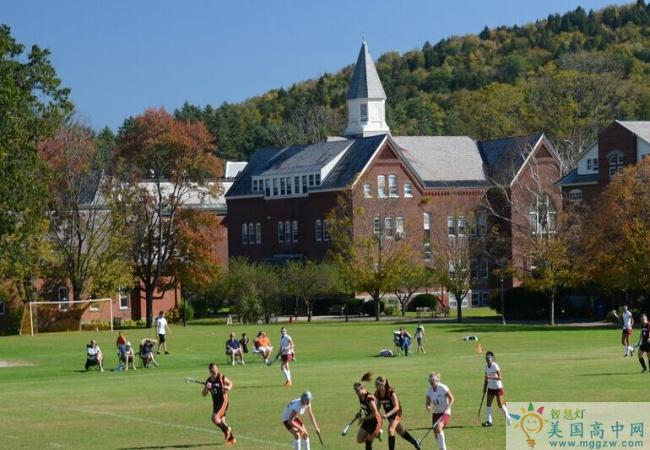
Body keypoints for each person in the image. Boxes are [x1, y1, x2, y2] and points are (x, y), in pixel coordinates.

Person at [374, 376, 421, 450]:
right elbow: (378, 405)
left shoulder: (390, 392)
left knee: (390, 430)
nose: (376, 385)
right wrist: (376, 412)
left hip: (396, 412)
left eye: (378, 384)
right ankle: (415, 442)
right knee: (400, 431)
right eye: (375, 383)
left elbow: (397, 407)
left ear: (383, 384)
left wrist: (387, 415)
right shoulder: (377, 393)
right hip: (389, 413)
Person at [202, 362, 236, 446]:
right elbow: (203, 394)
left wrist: (228, 388)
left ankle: (227, 429)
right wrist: (206, 388)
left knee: (215, 418)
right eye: (212, 370)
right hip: (216, 403)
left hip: (223, 401)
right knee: (222, 422)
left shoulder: (221, 377)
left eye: (215, 369)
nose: (214, 371)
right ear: (210, 371)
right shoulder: (208, 381)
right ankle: (231, 439)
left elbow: (230, 383)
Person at [482, 351, 512, 427]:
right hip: (490, 388)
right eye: (487, 358)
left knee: (500, 405)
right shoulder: (485, 367)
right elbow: (486, 379)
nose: (488, 359)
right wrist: (484, 388)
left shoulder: (495, 366)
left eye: (489, 358)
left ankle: (508, 418)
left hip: (498, 388)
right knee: (488, 404)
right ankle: (489, 421)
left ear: (492, 358)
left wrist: (490, 377)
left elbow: (500, 377)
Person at [425, 372, 454, 450]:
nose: (432, 383)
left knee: (438, 427)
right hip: (436, 413)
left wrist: (447, 408)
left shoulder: (443, 388)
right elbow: (427, 403)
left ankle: (443, 448)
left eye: (433, 381)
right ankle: (441, 447)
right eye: (430, 381)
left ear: (437, 380)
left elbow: (452, 399)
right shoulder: (429, 390)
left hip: (445, 412)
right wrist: (428, 407)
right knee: (436, 433)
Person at [354, 372, 382, 450]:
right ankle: (377, 434)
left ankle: (376, 433)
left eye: (357, 390)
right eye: (355, 390)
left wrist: (363, 418)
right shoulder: (360, 396)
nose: (356, 392)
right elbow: (364, 406)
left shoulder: (369, 398)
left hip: (376, 421)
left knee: (368, 442)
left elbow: (375, 413)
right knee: (359, 440)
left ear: (362, 388)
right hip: (368, 420)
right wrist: (359, 413)